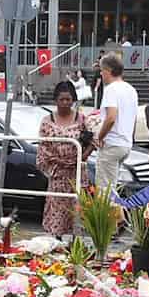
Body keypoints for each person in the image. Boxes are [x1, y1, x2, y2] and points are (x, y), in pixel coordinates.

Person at [34, 80, 91, 237]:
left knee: (77, 211)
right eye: (62, 99)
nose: (65, 103)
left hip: (76, 174)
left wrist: (80, 158)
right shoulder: (47, 121)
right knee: (57, 212)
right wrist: (57, 162)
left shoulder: (81, 119)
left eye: (69, 99)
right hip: (57, 174)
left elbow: (94, 141)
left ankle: (75, 245)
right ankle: (56, 243)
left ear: (73, 100)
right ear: (56, 100)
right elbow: (43, 147)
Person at [95, 53, 137, 194]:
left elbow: (111, 117)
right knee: (112, 187)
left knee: (104, 191)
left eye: (101, 71)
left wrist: (99, 137)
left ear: (108, 71)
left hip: (112, 143)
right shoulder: (131, 90)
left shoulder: (111, 89)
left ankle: (108, 216)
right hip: (125, 143)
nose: (101, 74)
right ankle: (115, 214)